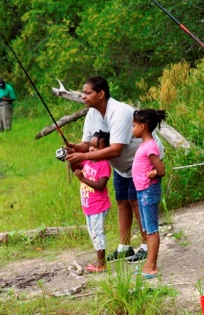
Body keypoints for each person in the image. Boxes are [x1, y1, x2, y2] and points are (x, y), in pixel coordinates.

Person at [65, 76, 164, 264]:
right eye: (83, 93)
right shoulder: (92, 114)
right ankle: (124, 247)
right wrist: (75, 148)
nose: (83, 97)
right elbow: (87, 144)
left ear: (101, 94)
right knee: (122, 202)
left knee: (136, 201)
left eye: (88, 93)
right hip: (121, 166)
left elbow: (115, 149)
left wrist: (84, 156)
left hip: (142, 161)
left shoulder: (119, 112)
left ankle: (145, 245)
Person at [131, 109, 167, 279]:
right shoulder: (144, 145)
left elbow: (161, 169)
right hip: (142, 191)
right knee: (147, 229)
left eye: (134, 126)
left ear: (143, 126)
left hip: (148, 191)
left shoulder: (151, 146)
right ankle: (148, 264)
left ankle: (152, 266)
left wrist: (154, 173)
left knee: (152, 230)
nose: (132, 129)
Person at [71, 130, 112, 273]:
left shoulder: (104, 165)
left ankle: (101, 263)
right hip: (88, 206)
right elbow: (76, 169)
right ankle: (100, 260)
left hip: (98, 206)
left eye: (96, 147)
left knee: (97, 233)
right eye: (91, 146)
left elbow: (101, 185)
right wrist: (70, 158)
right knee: (93, 233)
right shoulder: (88, 161)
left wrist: (82, 179)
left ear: (105, 150)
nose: (92, 149)